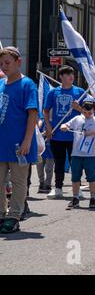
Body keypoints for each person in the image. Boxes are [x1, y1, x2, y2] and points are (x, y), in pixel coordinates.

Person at [0, 46, 39, 234]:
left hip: (19, 145)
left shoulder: (27, 84)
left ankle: (14, 215)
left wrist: (27, 141)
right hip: (1, 142)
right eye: (1, 63)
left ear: (18, 62)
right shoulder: (1, 84)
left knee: (18, 181)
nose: (4, 66)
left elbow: (32, 114)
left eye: (7, 63)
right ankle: (1, 213)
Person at [44, 66, 85, 199]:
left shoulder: (80, 92)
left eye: (72, 73)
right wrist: (48, 126)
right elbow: (45, 110)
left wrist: (78, 107)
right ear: (61, 76)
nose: (71, 76)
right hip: (57, 134)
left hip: (74, 134)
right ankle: (58, 188)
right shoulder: (53, 92)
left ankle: (77, 189)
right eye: (67, 74)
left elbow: (89, 113)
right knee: (59, 162)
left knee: (76, 163)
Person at [61, 101, 95, 210]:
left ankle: (93, 199)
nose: (87, 115)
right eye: (85, 112)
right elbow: (66, 124)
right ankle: (75, 198)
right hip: (76, 153)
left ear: (94, 110)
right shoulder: (77, 119)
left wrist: (93, 133)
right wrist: (64, 126)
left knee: (91, 177)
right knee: (75, 177)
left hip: (90, 155)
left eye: (89, 113)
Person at [37, 119, 55, 194]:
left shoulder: (54, 122)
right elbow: (37, 133)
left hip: (50, 150)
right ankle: (41, 182)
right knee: (39, 167)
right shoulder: (42, 122)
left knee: (49, 168)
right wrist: (43, 133)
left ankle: (48, 184)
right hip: (41, 150)